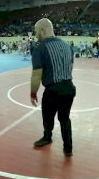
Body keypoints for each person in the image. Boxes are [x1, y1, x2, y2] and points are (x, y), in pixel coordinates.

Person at [30, 18, 76, 157]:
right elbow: (70, 67)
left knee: (48, 117)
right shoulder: (67, 46)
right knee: (64, 118)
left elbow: (37, 75)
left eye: (37, 31)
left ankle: (47, 137)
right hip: (69, 88)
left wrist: (33, 93)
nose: (36, 34)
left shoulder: (40, 48)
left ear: (43, 30)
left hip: (53, 90)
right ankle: (68, 148)